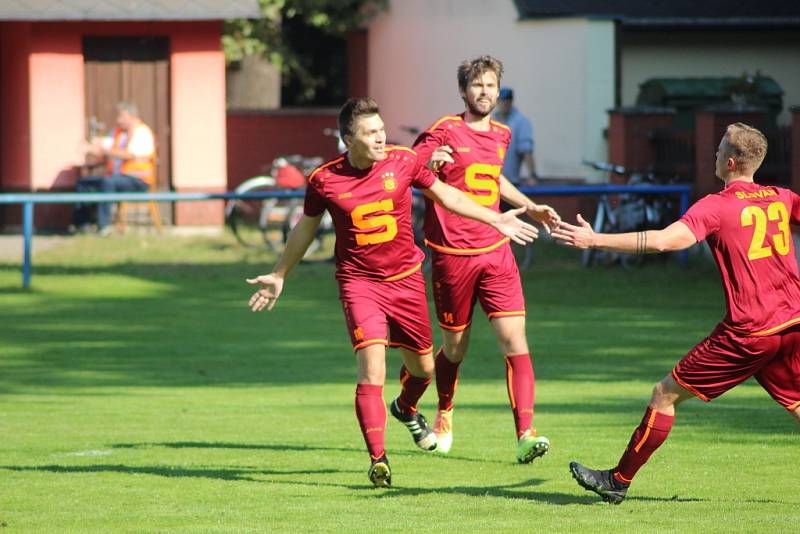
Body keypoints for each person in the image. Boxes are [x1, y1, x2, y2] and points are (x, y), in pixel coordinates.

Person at [247, 97, 539, 488]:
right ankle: (378, 459)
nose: (381, 137)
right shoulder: (324, 179)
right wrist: (280, 273)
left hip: (406, 281)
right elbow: (306, 227)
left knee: (425, 370)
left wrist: (495, 218)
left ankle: (405, 407)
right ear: (348, 139)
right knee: (372, 369)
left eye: (382, 129)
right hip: (359, 284)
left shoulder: (404, 161)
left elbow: (447, 195)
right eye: (370, 133)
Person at [552, 123, 800, 504]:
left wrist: (595, 239)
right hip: (793, 323)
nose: (714, 155)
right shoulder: (783, 197)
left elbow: (664, 241)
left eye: (718, 150)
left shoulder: (716, 206)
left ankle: (617, 481)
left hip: (750, 332)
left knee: (663, 394)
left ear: (730, 163)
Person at [412, 55, 560, 463]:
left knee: (515, 342)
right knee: (455, 349)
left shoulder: (502, 134)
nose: (485, 92)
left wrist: (531, 207)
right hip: (451, 256)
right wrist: (431, 163)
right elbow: (413, 167)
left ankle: (525, 434)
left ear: (499, 90)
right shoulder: (444, 128)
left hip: (497, 252)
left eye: (491, 85)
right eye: (477, 85)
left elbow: (492, 177)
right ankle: (444, 413)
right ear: (463, 91)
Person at [72, 102, 156, 235]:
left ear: (132, 116)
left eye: (122, 117)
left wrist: (103, 150)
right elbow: (105, 147)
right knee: (84, 183)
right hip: (118, 177)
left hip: (138, 180)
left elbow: (127, 154)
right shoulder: (117, 133)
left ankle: (103, 227)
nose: (118, 120)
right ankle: (82, 224)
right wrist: (89, 147)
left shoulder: (142, 132)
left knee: (107, 182)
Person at [493, 87, 536, 186]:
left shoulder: (520, 122)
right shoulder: (491, 121)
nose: (505, 103)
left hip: (511, 182)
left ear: (511, 101)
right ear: (497, 101)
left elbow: (526, 150)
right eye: (502, 100)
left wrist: (532, 175)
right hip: (490, 181)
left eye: (508, 100)